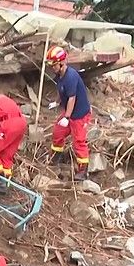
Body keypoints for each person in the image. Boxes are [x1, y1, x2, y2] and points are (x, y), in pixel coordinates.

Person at [46, 46, 92, 181]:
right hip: (69, 112)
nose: (52, 67)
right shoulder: (60, 75)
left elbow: (72, 98)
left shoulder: (71, 77)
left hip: (79, 115)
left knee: (79, 141)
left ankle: (83, 170)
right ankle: (56, 157)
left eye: (54, 65)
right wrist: (57, 102)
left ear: (61, 63)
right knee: (58, 132)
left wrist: (67, 117)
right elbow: (62, 90)